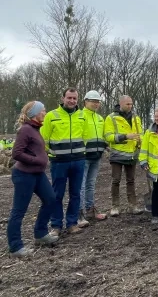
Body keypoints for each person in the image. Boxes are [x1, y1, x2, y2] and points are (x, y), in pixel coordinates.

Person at [7, 101, 59, 257]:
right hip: (24, 175)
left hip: (38, 174)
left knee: (50, 199)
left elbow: (35, 149)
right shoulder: (25, 130)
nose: (45, 112)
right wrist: (37, 160)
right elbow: (16, 154)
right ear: (35, 114)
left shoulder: (36, 129)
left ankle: (41, 234)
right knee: (19, 211)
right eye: (43, 110)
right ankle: (15, 246)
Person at [41, 87, 86, 236]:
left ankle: (72, 223)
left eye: (74, 98)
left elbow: (85, 136)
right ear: (63, 98)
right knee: (57, 194)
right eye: (69, 98)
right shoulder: (51, 116)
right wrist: (50, 154)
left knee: (75, 194)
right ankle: (56, 225)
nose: (72, 101)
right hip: (59, 162)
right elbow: (43, 139)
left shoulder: (82, 116)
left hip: (78, 161)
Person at [104, 95, 143, 216]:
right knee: (116, 180)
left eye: (131, 104)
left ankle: (133, 205)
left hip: (132, 154)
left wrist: (140, 140)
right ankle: (115, 206)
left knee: (131, 180)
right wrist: (125, 136)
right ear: (120, 104)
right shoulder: (111, 118)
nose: (130, 106)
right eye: (128, 104)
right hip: (117, 155)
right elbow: (108, 136)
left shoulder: (136, 117)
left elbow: (140, 133)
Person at [77, 90, 108, 228]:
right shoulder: (80, 116)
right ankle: (79, 213)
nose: (96, 104)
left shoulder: (100, 118)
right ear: (85, 102)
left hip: (96, 156)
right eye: (93, 101)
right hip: (83, 156)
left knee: (91, 184)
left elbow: (104, 136)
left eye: (97, 102)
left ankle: (90, 209)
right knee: (81, 185)